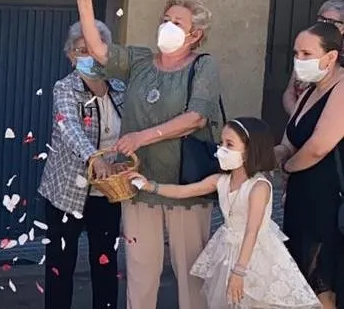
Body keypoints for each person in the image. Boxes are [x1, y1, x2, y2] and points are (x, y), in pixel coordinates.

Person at [75, 0, 223, 309]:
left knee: (191, 276)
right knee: (140, 274)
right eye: (165, 20)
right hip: (138, 184)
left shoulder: (204, 65)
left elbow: (197, 117)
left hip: (186, 185)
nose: (167, 26)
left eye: (177, 22)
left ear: (195, 34)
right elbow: (99, 50)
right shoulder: (141, 61)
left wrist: (142, 136)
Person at [129, 117, 320, 309]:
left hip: (253, 254)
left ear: (249, 151)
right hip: (228, 250)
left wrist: (239, 271)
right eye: (221, 143)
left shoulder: (259, 187)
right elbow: (184, 191)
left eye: (229, 144)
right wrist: (150, 186)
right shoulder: (220, 180)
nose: (221, 149)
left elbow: (252, 231)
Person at [37, 19, 125, 309]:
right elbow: (69, 128)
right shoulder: (64, 88)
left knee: (105, 263)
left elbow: (132, 129)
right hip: (66, 192)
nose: (86, 55)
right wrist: (94, 158)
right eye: (80, 50)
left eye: (93, 49)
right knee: (61, 266)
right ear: (70, 55)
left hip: (108, 191)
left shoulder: (120, 88)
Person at [277, 22, 344, 309]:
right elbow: (289, 140)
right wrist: (272, 156)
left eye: (306, 53)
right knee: (299, 277)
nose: (299, 60)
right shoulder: (309, 91)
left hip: (327, 200)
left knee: (321, 283)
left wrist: (287, 167)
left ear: (330, 57)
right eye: (296, 53)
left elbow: (318, 147)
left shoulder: (341, 89)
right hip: (301, 198)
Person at [282, 0, 344, 116]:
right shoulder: (305, 50)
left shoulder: (340, 59)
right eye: (322, 19)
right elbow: (289, 92)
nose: (325, 24)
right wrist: (297, 116)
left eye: (332, 21)